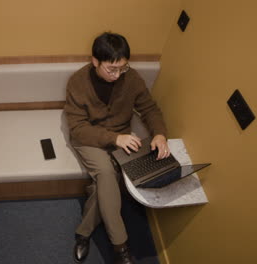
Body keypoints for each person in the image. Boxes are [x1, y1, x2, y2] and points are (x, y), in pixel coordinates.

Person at [64, 32, 170, 264]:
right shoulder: (77, 82)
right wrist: (115, 138)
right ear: (95, 61)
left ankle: (83, 233)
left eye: (122, 68)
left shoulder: (131, 78)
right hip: (90, 138)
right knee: (106, 173)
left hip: (121, 135)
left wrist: (160, 134)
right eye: (111, 69)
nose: (117, 74)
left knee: (109, 184)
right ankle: (120, 246)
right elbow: (78, 129)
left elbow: (150, 109)